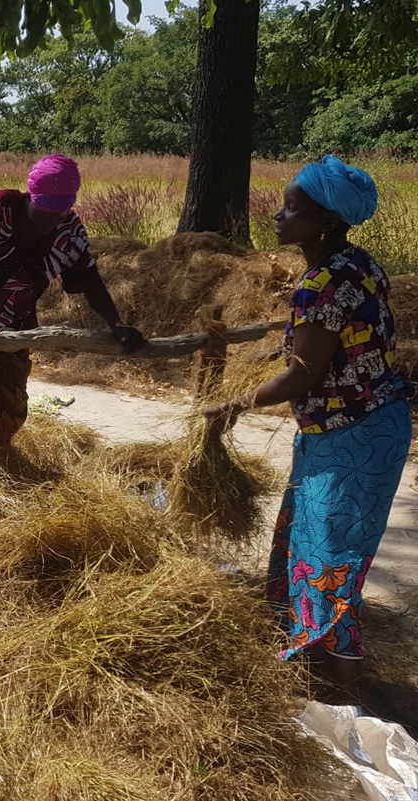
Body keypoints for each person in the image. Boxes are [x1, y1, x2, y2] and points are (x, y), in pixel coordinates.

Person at [203, 156, 412, 699]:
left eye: (292, 208)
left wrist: (232, 404)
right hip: (363, 426)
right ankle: (314, 666)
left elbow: (301, 375)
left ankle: (345, 695)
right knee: (312, 546)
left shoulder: (325, 282)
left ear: (325, 222)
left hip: (354, 437)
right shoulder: (359, 263)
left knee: (330, 564)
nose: (277, 214)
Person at [0, 154, 143, 449]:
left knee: (8, 402)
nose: (48, 223)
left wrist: (116, 323)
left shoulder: (68, 229)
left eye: (57, 215)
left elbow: (90, 281)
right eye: (42, 213)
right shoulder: (0, 206)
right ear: (30, 195)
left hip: (16, 322)